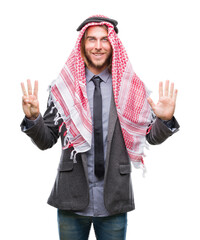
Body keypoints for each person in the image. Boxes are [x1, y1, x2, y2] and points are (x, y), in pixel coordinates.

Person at [20, 15, 179, 240]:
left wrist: (164, 120)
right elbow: (46, 140)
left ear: (113, 44)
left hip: (113, 200)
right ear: (83, 45)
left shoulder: (129, 88)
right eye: (91, 39)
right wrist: (34, 118)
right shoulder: (64, 88)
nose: (98, 46)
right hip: (71, 200)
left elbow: (149, 137)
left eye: (104, 40)